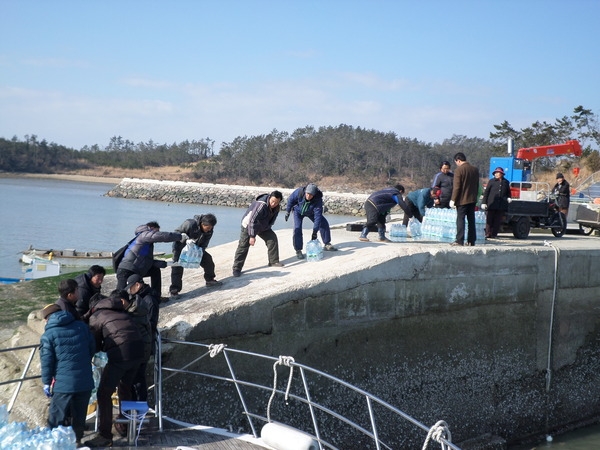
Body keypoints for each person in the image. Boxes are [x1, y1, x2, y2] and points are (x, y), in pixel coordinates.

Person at [85, 291, 146, 448]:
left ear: (92, 307)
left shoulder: (96, 315)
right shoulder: (119, 310)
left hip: (122, 355)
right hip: (139, 352)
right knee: (125, 388)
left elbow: (94, 343)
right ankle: (124, 425)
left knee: (103, 392)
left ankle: (105, 435)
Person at [39, 303, 95, 446]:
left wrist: (46, 382)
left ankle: (56, 445)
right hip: (85, 380)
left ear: (47, 319)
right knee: (79, 415)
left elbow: (47, 362)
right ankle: (76, 442)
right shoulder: (81, 326)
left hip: (63, 385)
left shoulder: (49, 335)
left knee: (56, 416)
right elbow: (92, 348)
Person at [116, 221, 185, 298]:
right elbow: (164, 236)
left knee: (155, 270)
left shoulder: (146, 242)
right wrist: (180, 236)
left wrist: (166, 263)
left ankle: (156, 296)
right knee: (120, 294)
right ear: (151, 228)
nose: (157, 234)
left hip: (135, 269)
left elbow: (149, 262)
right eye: (157, 232)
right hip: (126, 270)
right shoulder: (144, 235)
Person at [232, 191, 284, 277]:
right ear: (270, 197)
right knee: (243, 246)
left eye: (276, 202)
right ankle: (236, 268)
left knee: (272, 238)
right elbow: (252, 220)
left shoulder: (277, 207)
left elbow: (272, 220)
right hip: (248, 225)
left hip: (262, 226)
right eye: (272, 201)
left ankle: (273, 261)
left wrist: (267, 227)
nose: (274, 204)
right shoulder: (261, 205)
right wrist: (252, 236)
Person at [169, 214, 222, 298]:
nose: (210, 230)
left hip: (196, 248)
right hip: (180, 247)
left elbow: (205, 244)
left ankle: (209, 279)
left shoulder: (210, 231)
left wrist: (199, 252)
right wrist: (183, 237)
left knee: (208, 260)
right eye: (208, 228)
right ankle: (174, 290)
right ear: (202, 224)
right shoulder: (189, 224)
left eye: (211, 227)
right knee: (177, 267)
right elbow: (175, 233)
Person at [285, 183, 337, 259]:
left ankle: (327, 243)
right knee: (297, 228)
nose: (308, 196)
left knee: (323, 223)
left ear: (314, 195)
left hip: (311, 212)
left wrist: (315, 231)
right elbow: (291, 200)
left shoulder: (317, 199)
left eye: (311, 195)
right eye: (307, 194)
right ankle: (298, 250)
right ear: (305, 191)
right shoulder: (299, 192)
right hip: (298, 211)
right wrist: (287, 212)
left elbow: (318, 216)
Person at [450, 152, 480, 246]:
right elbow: (476, 185)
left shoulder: (459, 170)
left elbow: (457, 187)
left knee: (460, 220)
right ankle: (471, 241)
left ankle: (459, 240)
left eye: (456, 162)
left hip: (462, 200)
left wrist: (453, 199)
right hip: (472, 199)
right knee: (471, 220)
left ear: (458, 160)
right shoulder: (475, 169)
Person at [481, 167, 511, 238]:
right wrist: (484, 202)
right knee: (489, 219)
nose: (496, 174)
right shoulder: (491, 181)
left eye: (498, 173)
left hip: (501, 205)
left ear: (502, 174)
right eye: (495, 173)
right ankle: (487, 233)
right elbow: (486, 192)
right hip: (491, 204)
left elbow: (508, 192)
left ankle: (494, 234)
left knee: (497, 220)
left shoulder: (506, 182)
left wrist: (509, 198)